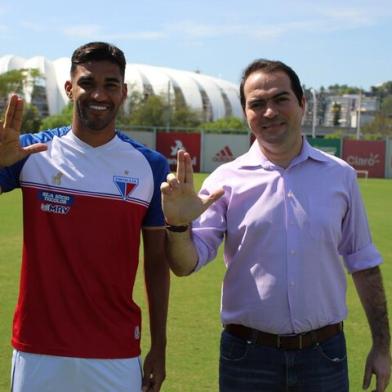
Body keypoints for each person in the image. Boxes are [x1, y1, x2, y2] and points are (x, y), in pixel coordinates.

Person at [161, 59, 391, 391]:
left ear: (302, 104)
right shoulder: (225, 180)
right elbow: (185, 264)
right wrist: (178, 226)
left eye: (280, 99)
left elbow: (364, 263)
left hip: (324, 357)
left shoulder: (340, 175)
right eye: (257, 103)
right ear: (246, 113)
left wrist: (382, 347)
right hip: (248, 359)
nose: (269, 112)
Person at [0, 41, 170, 392]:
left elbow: (156, 262)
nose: (99, 94)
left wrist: (160, 346)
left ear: (123, 92)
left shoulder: (150, 166)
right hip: (38, 349)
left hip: (116, 352)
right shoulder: (30, 152)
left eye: (110, 85)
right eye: (88, 83)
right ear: (69, 88)